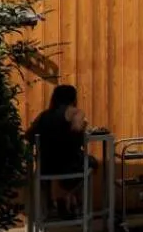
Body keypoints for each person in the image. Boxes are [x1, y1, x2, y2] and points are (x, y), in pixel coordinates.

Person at [25, 84, 93, 219]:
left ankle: (55, 206)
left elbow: (29, 136)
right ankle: (66, 198)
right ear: (73, 98)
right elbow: (77, 129)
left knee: (59, 165)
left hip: (45, 168)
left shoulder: (43, 116)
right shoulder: (75, 112)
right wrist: (82, 128)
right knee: (91, 163)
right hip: (69, 166)